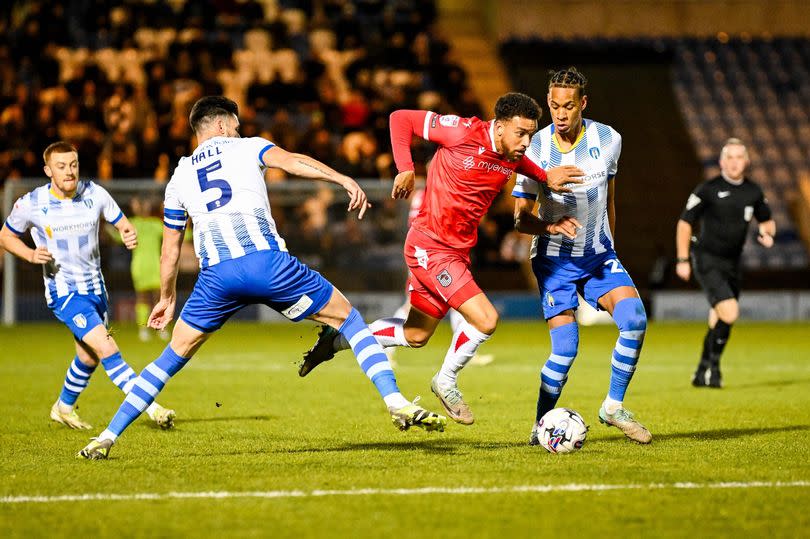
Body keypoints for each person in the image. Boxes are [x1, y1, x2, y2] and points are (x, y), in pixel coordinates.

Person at [78, 96, 446, 460]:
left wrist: (167, 297)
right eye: (236, 126)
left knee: (169, 358)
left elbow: (170, 247)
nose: (239, 132)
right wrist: (341, 178)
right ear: (223, 125)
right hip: (267, 266)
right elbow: (293, 162)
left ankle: (107, 437)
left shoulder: (179, 177)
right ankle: (395, 401)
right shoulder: (248, 148)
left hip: (216, 280)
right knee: (348, 318)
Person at [299, 92, 583, 426]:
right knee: (486, 319)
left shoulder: (511, 153)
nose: (526, 141)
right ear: (500, 126)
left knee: (416, 336)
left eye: (531, 135)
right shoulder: (462, 131)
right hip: (430, 247)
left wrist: (544, 176)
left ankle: (340, 339)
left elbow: (519, 163)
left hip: (455, 253)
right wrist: (405, 168)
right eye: (520, 133)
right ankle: (445, 382)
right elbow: (400, 118)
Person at [512, 67, 652, 444]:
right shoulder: (535, 149)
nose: (560, 114)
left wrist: (611, 245)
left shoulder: (609, 139)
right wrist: (549, 227)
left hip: (599, 256)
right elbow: (520, 220)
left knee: (635, 321)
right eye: (554, 106)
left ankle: (612, 406)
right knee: (566, 350)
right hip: (554, 262)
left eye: (568, 106)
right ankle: (540, 424)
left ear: (582, 104)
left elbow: (610, 199)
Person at [0, 141, 175, 431]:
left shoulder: (95, 193)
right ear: (47, 170)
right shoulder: (32, 203)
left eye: (73, 164)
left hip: (96, 290)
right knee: (108, 349)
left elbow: (122, 224)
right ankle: (152, 408)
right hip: (65, 293)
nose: (69, 171)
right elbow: (5, 236)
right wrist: (30, 254)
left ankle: (63, 407)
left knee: (88, 356)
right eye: (61, 166)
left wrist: (128, 234)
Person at [675, 137, 775, 388]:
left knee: (718, 318)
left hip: (733, 263)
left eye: (738, 157)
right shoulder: (707, 189)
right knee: (730, 312)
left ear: (747, 162)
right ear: (721, 162)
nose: (733, 162)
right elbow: (685, 222)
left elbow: (767, 219)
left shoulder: (753, 191)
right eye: (728, 157)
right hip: (707, 258)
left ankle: (702, 371)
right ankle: (715, 369)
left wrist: (767, 232)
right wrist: (682, 258)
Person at [125, 195, 169, 342]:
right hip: (140, 266)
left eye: (145, 204)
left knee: (159, 298)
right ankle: (143, 328)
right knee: (142, 298)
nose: (143, 207)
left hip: (156, 265)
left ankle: (160, 327)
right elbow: (118, 236)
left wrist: (186, 222)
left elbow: (173, 235)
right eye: (139, 205)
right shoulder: (131, 223)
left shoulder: (156, 224)